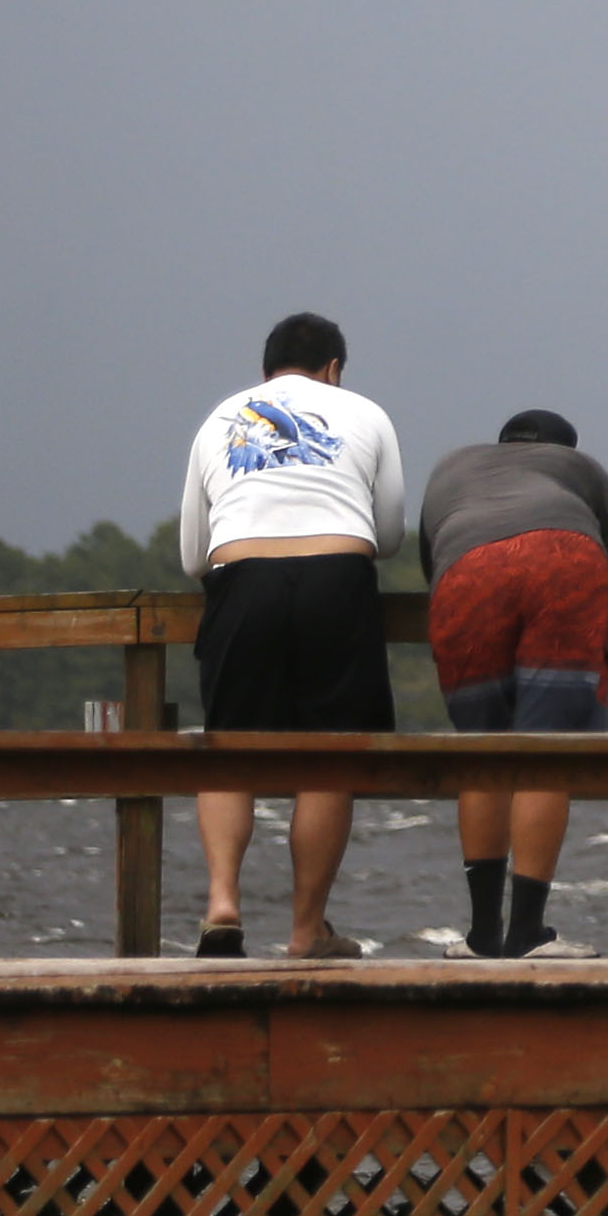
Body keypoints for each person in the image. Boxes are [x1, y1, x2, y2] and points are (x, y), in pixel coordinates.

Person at [174, 310, 411, 959]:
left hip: (241, 579)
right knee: (327, 759)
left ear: (265, 373)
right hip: (337, 579)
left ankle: (223, 903)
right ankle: (307, 931)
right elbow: (388, 534)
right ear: (334, 369)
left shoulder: (220, 418)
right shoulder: (365, 412)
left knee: (230, 750)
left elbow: (194, 555)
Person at [417, 407, 608, 959]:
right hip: (563, 562)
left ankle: (480, 936)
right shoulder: (578, 468)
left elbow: (432, 558)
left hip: (465, 573)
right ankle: (527, 933)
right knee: (545, 751)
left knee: (484, 753)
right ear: (564, 449)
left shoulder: (452, 466)